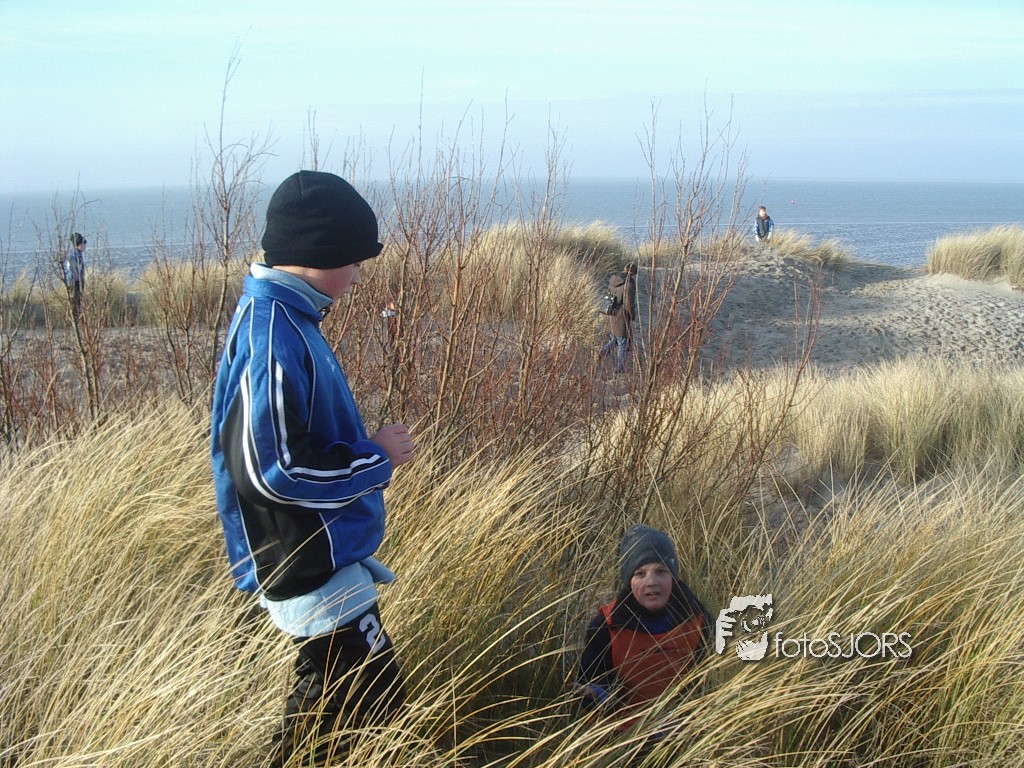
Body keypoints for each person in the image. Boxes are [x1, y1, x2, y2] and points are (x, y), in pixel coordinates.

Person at [210, 171, 416, 765]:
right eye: (353, 259)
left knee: (358, 705)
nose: (358, 274)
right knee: (354, 711)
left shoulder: (289, 320)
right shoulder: (271, 333)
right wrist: (375, 458)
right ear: (319, 253)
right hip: (304, 560)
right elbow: (271, 470)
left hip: (322, 557)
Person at [574, 525, 712, 728]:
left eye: (661, 571)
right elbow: (593, 682)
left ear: (673, 576)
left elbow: (709, 682)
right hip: (623, 734)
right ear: (628, 581)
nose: (651, 582)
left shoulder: (698, 619)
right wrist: (596, 695)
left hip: (684, 730)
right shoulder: (607, 626)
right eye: (640, 573)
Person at [599, 262, 637, 373]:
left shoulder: (614, 279)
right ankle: (620, 368)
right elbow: (629, 303)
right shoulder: (629, 284)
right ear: (633, 273)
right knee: (622, 343)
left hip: (610, 314)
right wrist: (632, 316)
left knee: (615, 339)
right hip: (621, 317)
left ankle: (602, 353)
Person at [64, 232, 87, 315]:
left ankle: (78, 315)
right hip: (74, 282)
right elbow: (73, 270)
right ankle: (76, 316)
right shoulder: (73, 256)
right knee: (76, 303)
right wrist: (78, 280)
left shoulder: (79, 254)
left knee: (79, 302)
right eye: (83, 244)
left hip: (78, 281)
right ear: (78, 245)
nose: (84, 246)